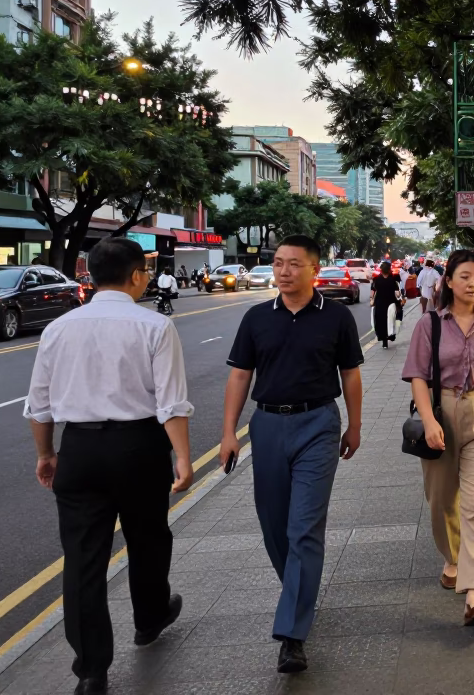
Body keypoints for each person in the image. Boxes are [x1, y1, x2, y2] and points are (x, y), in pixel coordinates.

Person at [25, 238, 194, 695]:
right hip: (139, 446)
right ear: (138, 276)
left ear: (91, 275)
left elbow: (39, 406)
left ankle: (92, 670)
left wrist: (47, 454)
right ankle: (150, 617)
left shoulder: (58, 329)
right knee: (149, 537)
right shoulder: (155, 325)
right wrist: (182, 457)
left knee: (82, 560)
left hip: (79, 449)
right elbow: (171, 403)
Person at [219, 235, 364, 675]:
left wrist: (354, 426)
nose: (283, 272)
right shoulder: (257, 317)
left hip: (318, 424)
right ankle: (301, 589)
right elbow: (240, 376)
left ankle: (291, 635)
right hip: (266, 426)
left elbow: (351, 376)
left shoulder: (336, 317)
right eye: (278, 263)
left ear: (314, 269)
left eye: (293, 264)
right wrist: (229, 432)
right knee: (273, 525)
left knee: (304, 527)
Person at [403, 249, 474, 625]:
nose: (473, 283)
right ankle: (452, 558)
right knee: (441, 500)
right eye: (465, 276)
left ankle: (473, 592)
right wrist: (430, 420)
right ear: (448, 281)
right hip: (442, 412)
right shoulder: (430, 325)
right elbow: (418, 375)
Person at [370, 260, 404, 349]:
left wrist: (371, 300)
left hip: (380, 303)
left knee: (381, 322)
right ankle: (390, 335)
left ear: (381, 270)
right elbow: (397, 293)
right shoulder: (393, 279)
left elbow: (373, 291)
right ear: (389, 269)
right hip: (390, 303)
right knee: (390, 320)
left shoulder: (376, 279)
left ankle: (384, 340)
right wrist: (400, 295)